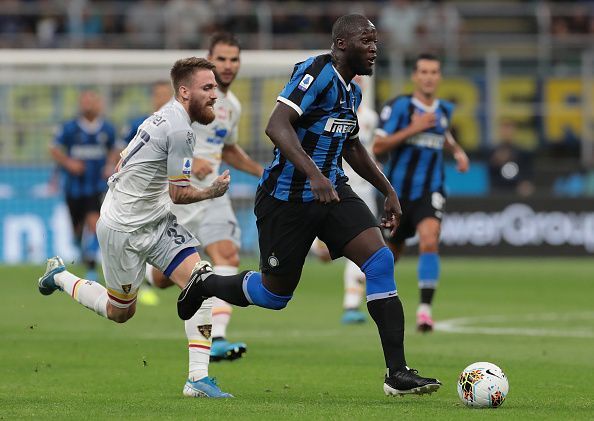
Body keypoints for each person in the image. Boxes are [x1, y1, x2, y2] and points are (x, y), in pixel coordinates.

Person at [177, 14, 442, 397]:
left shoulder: (352, 92)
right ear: (341, 44)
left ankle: (396, 373)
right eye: (366, 41)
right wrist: (313, 174)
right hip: (287, 198)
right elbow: (277, 124)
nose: (373, 49)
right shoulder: (316, 72)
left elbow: (351, 145)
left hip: (332, 192)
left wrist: (388, 189)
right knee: (273, 296)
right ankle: (206, 284)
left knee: (380, 260)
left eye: (376, 43)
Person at [38, 57, 233, 398]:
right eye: (207, 87)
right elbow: (180, 193)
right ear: (184, 92)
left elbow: (128, 157)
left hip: (155, 221)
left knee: (201, 280)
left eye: (214, 87)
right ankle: (60, 277)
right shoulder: (179, 129)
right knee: (120, 312)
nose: (215, 94)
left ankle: (197, 379)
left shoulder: (167, 117)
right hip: (122, 230)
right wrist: (211, 191)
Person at [148, 33, 263, 362]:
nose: (228, 66)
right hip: (181, 194)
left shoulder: (233, 107)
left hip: (214, 192)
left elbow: (227, 149)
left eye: (234, 59)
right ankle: (150, 272)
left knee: (227, 254)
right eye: (222, 59)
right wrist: (190, 158)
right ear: (210, 60)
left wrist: (262, 171)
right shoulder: (186, 101)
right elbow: (165, 135)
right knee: (163, 278)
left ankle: (219, 339)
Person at [372, 53, 470, 333]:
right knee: (389, 256)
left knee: (430, 239)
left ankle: (424, 312)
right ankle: (378, 301)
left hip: (431, 189)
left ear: (439, 77)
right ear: (415, 76)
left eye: (434, 72)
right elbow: (378, 147)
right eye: (424, 71)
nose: (429, 77)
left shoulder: (444, 109)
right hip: (398, 194)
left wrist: (457, 151)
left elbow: (444, 133)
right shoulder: (399, 107)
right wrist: (413, 129)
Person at [50, 90, 118, 282]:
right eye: (85, 101)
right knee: (77, 230)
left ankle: (90, 263)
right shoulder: (69, 128)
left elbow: (115, 148)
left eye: (92, 101)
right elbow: (53, 148)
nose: (88, 104)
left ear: (98, 104)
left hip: (97, 185)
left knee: (95, 223)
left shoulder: (107, 128)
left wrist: (109, 164)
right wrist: (69, 163)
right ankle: (80, 247)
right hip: (74, 187)